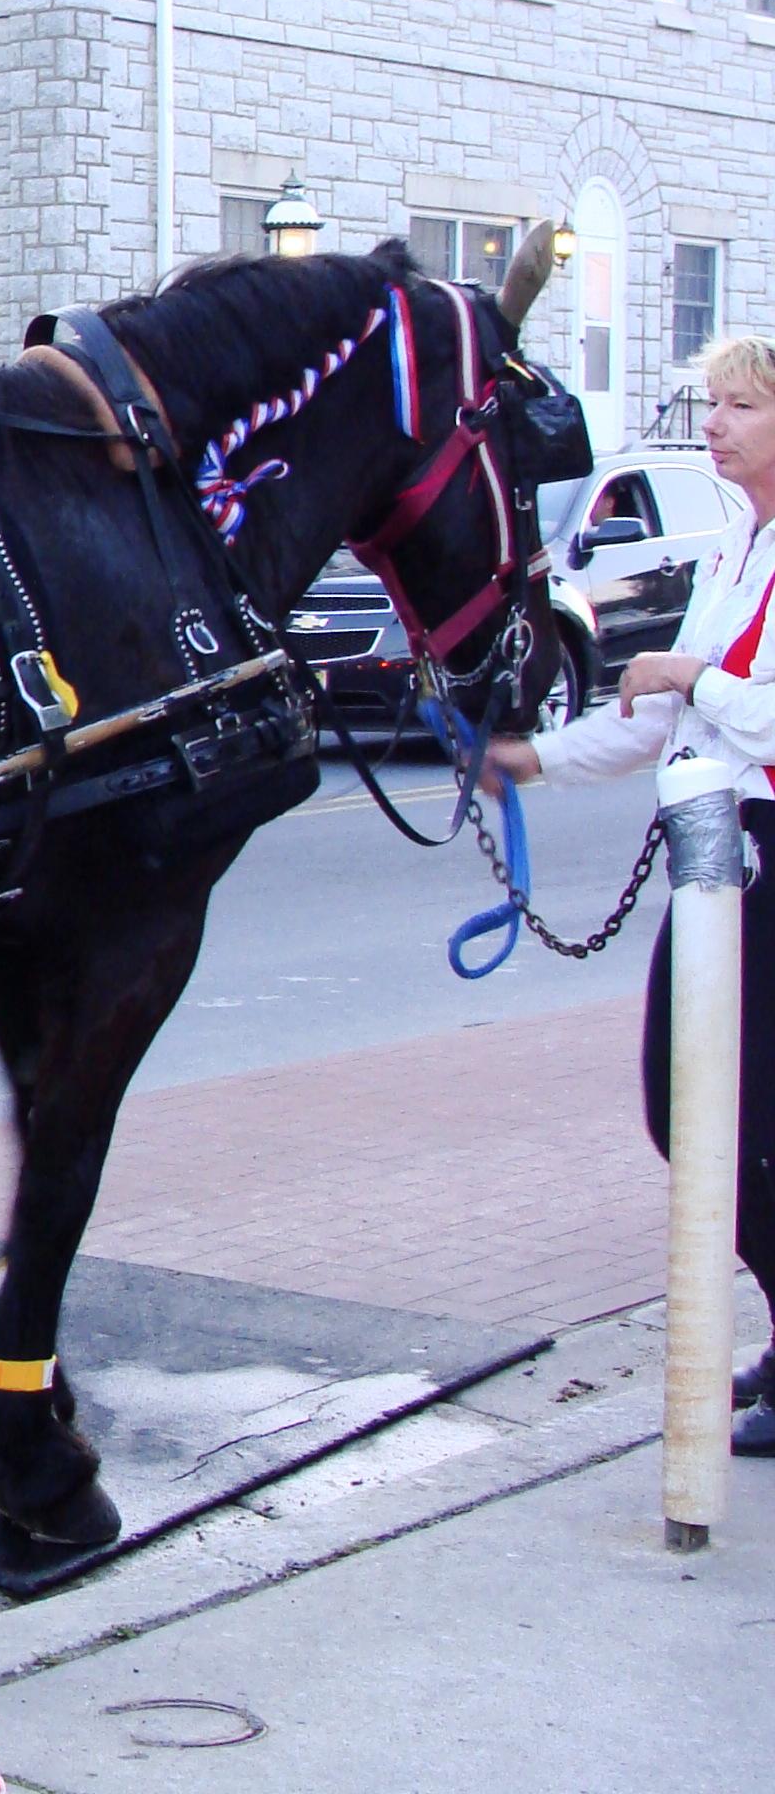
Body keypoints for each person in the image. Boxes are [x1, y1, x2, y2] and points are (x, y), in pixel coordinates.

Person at [485, 333, 775, 1448]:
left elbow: (737, 704)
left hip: (764, 854)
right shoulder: (733, 548)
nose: (715, 425)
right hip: (717, 866)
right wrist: (536, 761)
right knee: (685, 1108)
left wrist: (691, 673)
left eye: (740, 406)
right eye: (711, 404)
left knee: (745, 1123)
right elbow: (657, 720)